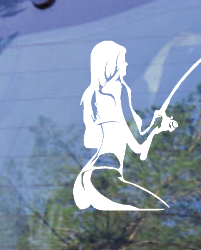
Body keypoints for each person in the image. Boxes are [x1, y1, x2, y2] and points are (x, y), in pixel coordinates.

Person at [73, 41, 177, 211]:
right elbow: (137, 147)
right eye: (121, 60)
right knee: (162, 209)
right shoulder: (117, 89)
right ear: (110, 65)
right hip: (108, 174)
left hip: (88, 174)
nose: (125, 64)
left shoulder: (90, 94)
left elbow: (90, 140)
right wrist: (159, 127)